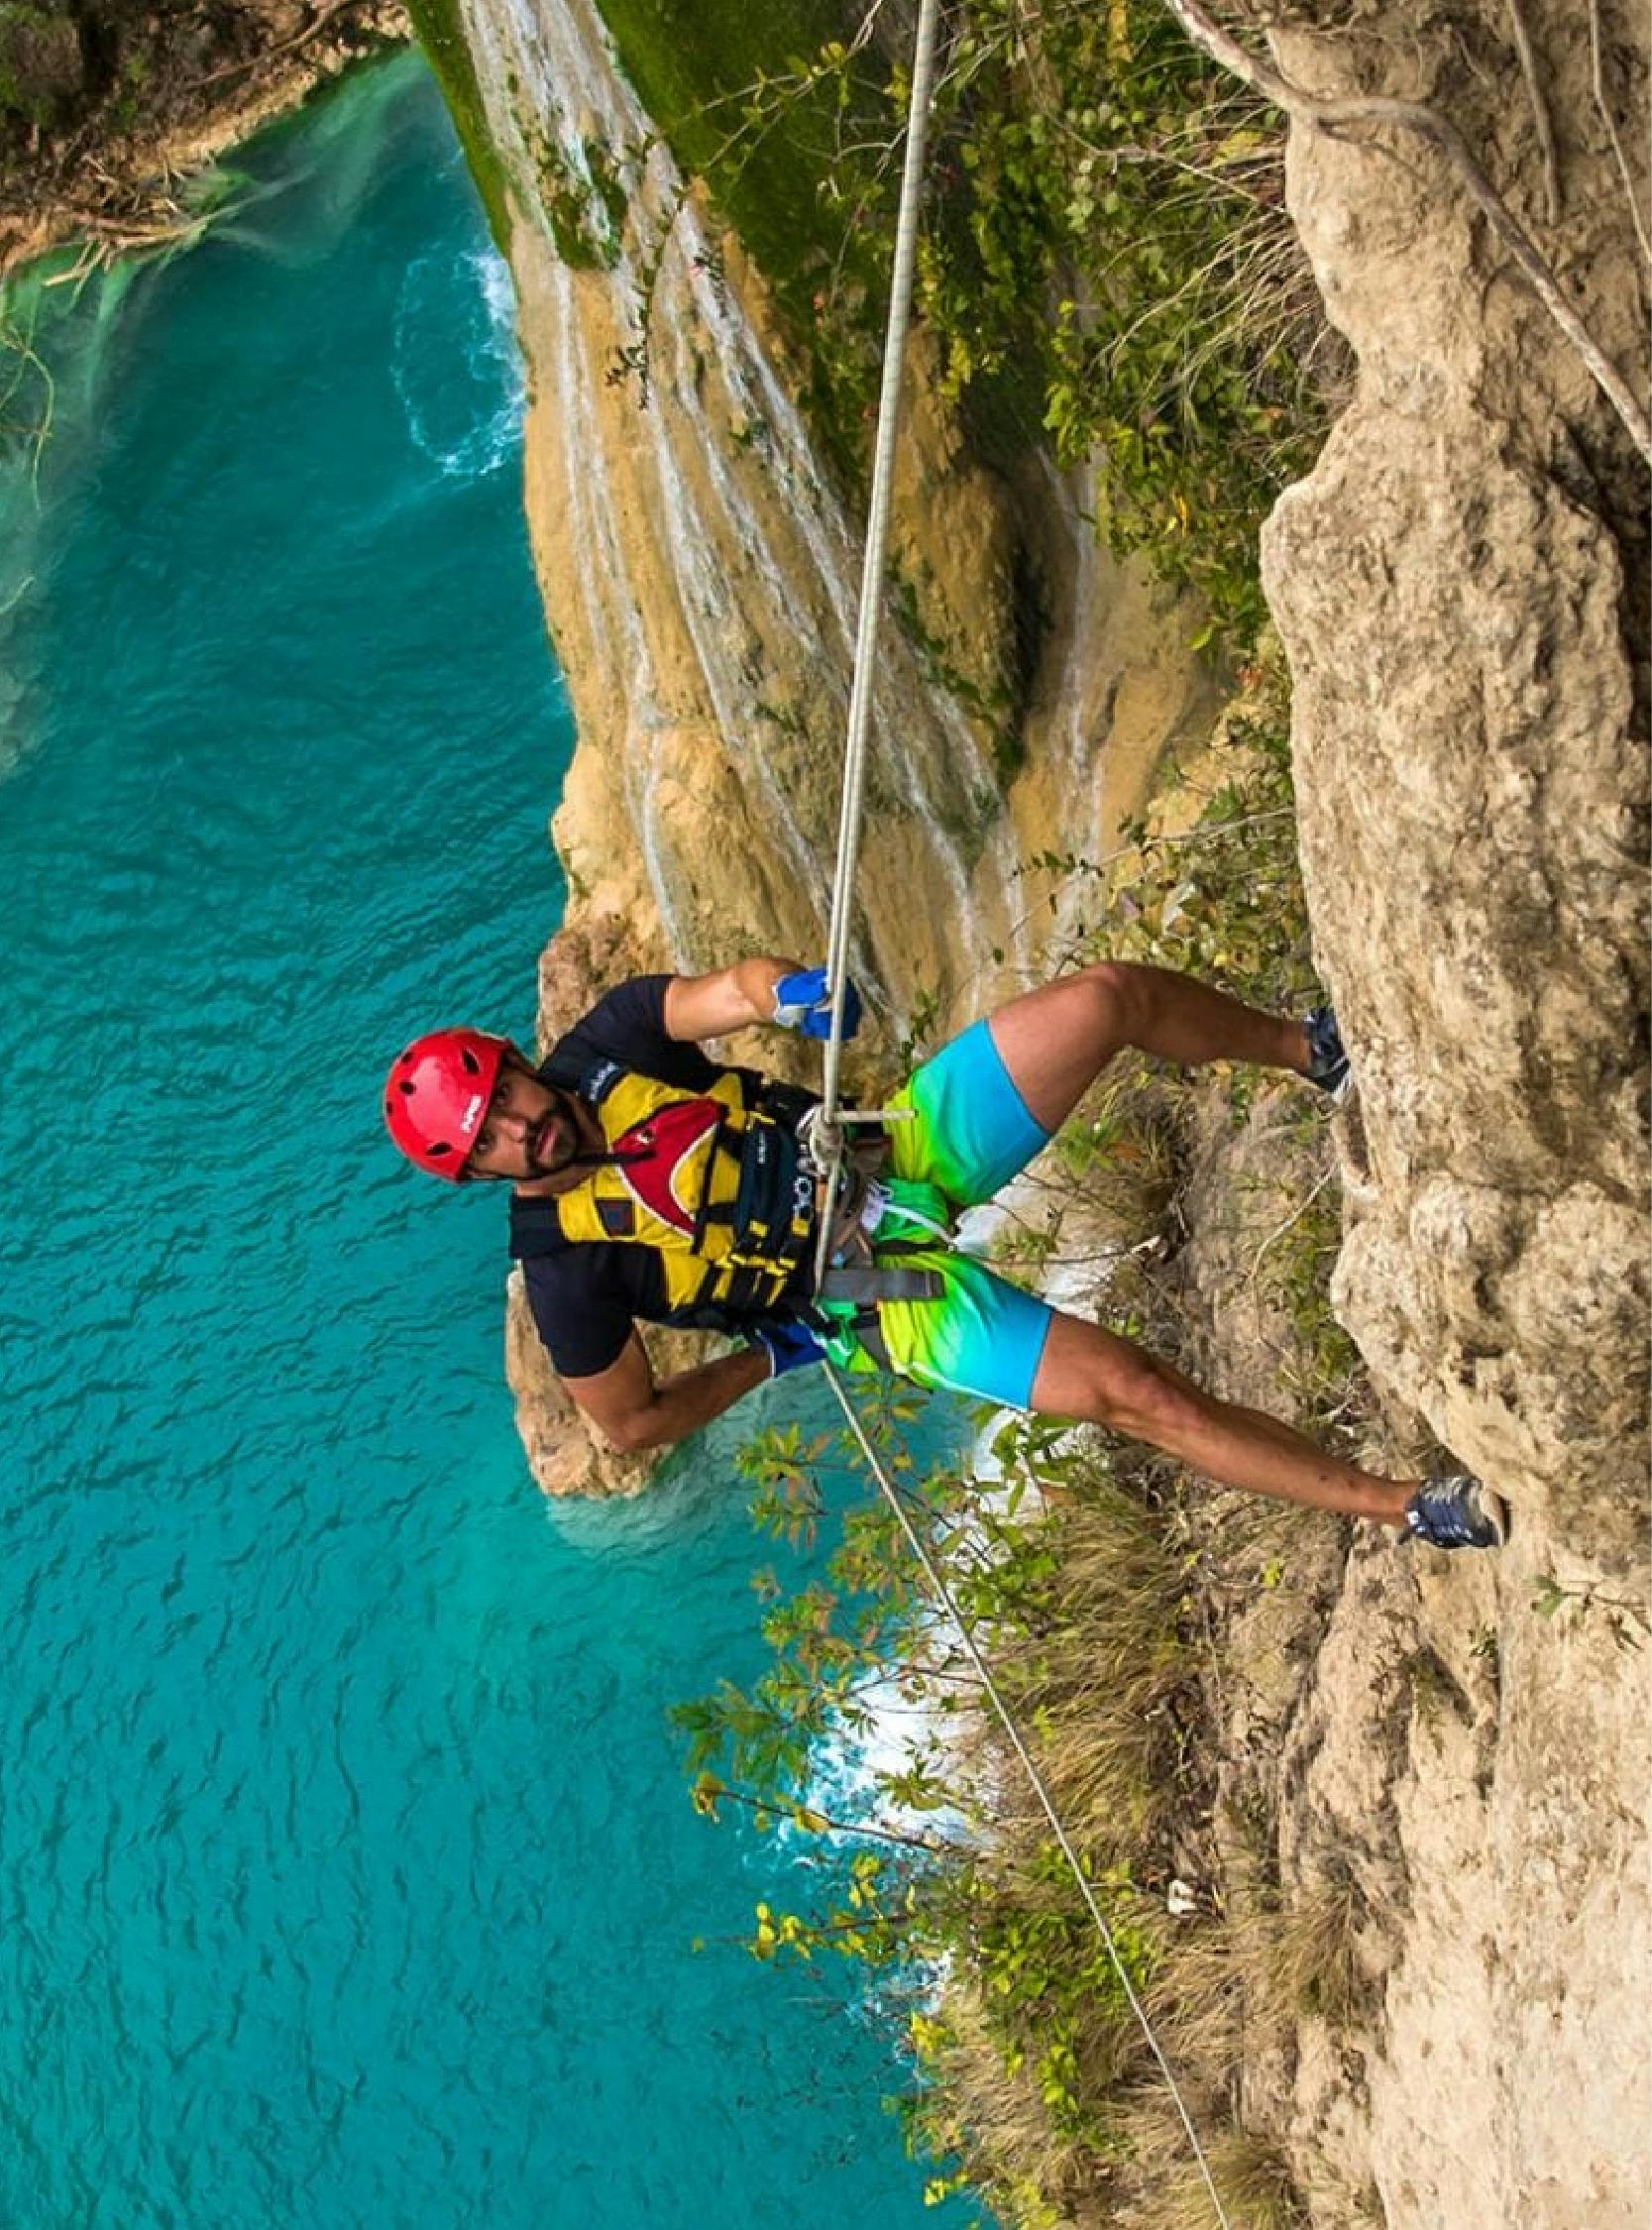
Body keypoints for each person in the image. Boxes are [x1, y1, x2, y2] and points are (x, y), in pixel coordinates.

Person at [383, 955, 1506, 1550]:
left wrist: (791, 992)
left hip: (891, 1152)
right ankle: (1402, 1505)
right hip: (869, 1300)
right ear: (474, 1174)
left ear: (517, 1062)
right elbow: (625, 1426)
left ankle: (1307, 1051)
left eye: (507, 1100)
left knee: (1103, 999)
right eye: (488, 1145)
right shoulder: (564, 1271)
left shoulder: (607, 1049)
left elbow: (720, 994)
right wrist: (771, 1360)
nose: (520, 1131)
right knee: (1134, 1392)